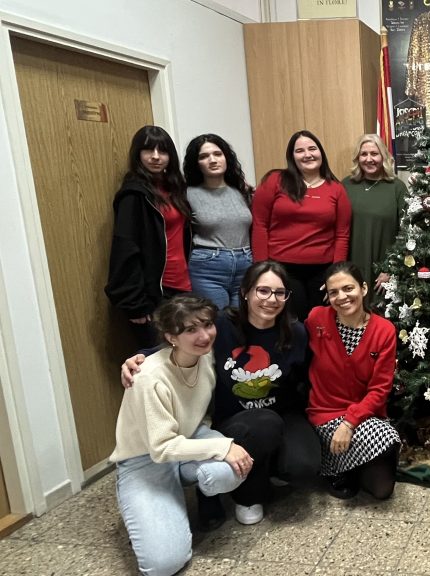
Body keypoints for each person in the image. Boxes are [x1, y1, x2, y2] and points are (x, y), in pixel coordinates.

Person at [120, 261, 320, 528]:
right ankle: (244, 495)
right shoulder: (222, 325)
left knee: (303, 468)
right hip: (235, 419)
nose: (271, 299)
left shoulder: (296, 332)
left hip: (283, 412)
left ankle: (267, 463)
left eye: (279, 293)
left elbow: (307, 377)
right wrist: (141, 357)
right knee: (263, 425)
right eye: (262, 291)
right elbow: (183, 343)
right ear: (245, 292)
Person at [109, 295, 251, 576]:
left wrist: (220, 448)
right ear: (171, 337)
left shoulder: (206, 353)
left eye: (207, 324)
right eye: (190, 329)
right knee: (163, 565)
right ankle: (147, 504)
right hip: (145, 458)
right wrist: (223, 447)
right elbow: (162, 448)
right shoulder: (148, 377)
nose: (204, 335)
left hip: (190, 436)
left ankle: (179, 493)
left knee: (229, 472)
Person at [306, 262, 401, 500]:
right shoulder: (317, 319)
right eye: (334, 292)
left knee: (382, 488)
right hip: (325, 413)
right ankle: (335, 466)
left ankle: (348, 462)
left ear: (364, 288)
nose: (341, 297)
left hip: (362, 415)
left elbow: (380, 389)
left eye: (348, 288)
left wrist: (349, 423)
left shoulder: (384, 330)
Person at [106, 126, 192, 348]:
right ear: (138, 154)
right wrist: (134, 304)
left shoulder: (175, 189)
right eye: (148, 150)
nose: (155, 156)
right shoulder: (134, 195)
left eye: (162, 151)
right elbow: (125, 248)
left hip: (183, 286)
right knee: (159, 358)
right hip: (154, 294)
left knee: (186, 356)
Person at [252, 129, 352, 320]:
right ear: (292, 156)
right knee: (291, 323)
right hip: (281, 269)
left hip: (322, 271)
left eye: (312, 149)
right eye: (300, 151)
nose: (307, 154)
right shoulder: (275, 181)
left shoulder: (336, 189)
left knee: (319, 322)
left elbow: (342, 235)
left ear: (321, 152)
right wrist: (262, 270)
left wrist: (336, 276)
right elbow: (259, 225)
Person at [183, 134, 253, 309]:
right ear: (196, 163)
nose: (212, 160)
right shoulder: (187, 194)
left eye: (217, 154)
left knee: (242, 319)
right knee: (217, 319)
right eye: (204, 156)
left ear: (226, 157)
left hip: (245, 264)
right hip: (208, 267)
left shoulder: (243, 191)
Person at [343, 134, 407, 295]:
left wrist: (391, 268)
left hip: (383, 275)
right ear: (358, 158)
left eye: (374, 153)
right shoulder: (346, 185)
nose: (369, 159)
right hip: (351, 269)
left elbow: (407, 232)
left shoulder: (397, 188)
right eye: (364, 154)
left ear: (383, 156)